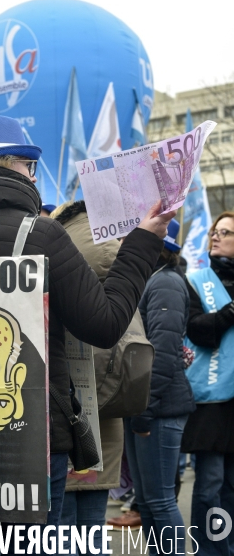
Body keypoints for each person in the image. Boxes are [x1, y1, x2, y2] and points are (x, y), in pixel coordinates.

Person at [0, 115, 176, 556]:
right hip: (30, 444)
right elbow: (104, 325)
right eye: (31, 166)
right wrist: (143, 243)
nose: (34, 176)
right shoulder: (41, 235)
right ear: (12, 167)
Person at [108, 219, 195, 555]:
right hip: (145, 408)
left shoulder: (166, 283)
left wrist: (143, 411)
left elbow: (162, 354)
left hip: (157, 409)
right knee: (147, 500)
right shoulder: (152, 280)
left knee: (159, 500)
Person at [51, 199, 124, 554]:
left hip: (65, 418)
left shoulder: (53, 262)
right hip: (108, 418)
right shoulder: (116, 265)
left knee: (61, 537)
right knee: (93, 534)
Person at [182, 211, 234, 556]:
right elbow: (199, 330)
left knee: (230, 487)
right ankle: (207, 550)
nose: (216, 236)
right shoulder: (196, 279)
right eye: (215, 231)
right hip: (211, 399)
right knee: (210, 486)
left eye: (225, 232)